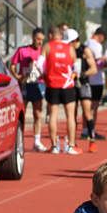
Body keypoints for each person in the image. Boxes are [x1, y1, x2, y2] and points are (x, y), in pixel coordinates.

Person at [39, 25, 81, 154]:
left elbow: (40, 66)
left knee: (53, 115)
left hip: (52, 85)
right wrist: (72, 77)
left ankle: (54, 147)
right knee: (70, 116)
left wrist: (45, 77)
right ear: (61, 36)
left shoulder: (47, 46)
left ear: (51, 35)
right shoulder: (70, 48)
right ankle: (71, 146)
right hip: (67, 85)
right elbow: (77, 68)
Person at [11, 27, 47, 151]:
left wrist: (43, 75)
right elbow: (12, 65)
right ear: (33, 38)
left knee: (37, 113)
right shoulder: (23, 51)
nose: (40, 42)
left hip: (38, 84)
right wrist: (17, 76)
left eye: (42, 40)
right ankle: (17, 141)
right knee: (22, 113)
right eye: (38, 39)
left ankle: (37, 141)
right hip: (25, 85)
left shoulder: (43, 52)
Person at [71, 31, 99, 151]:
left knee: (87, 113)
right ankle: (72, 142)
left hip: (83, 84)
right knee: (72, 114)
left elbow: (94, 69)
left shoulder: (85, 50)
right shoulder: (68, 50)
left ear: (75, 40)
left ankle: (92, 140)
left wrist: (83, 74)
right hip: (71, 84)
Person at [82, 27, 107, 144]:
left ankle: (84, 129)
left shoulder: (86, 43)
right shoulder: (97, 45)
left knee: (86, 106)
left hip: (87, 79)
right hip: (96, 80)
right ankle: (91, 130)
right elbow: (98, 62)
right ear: (100, 36)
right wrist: (106, 60)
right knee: (94, 107)